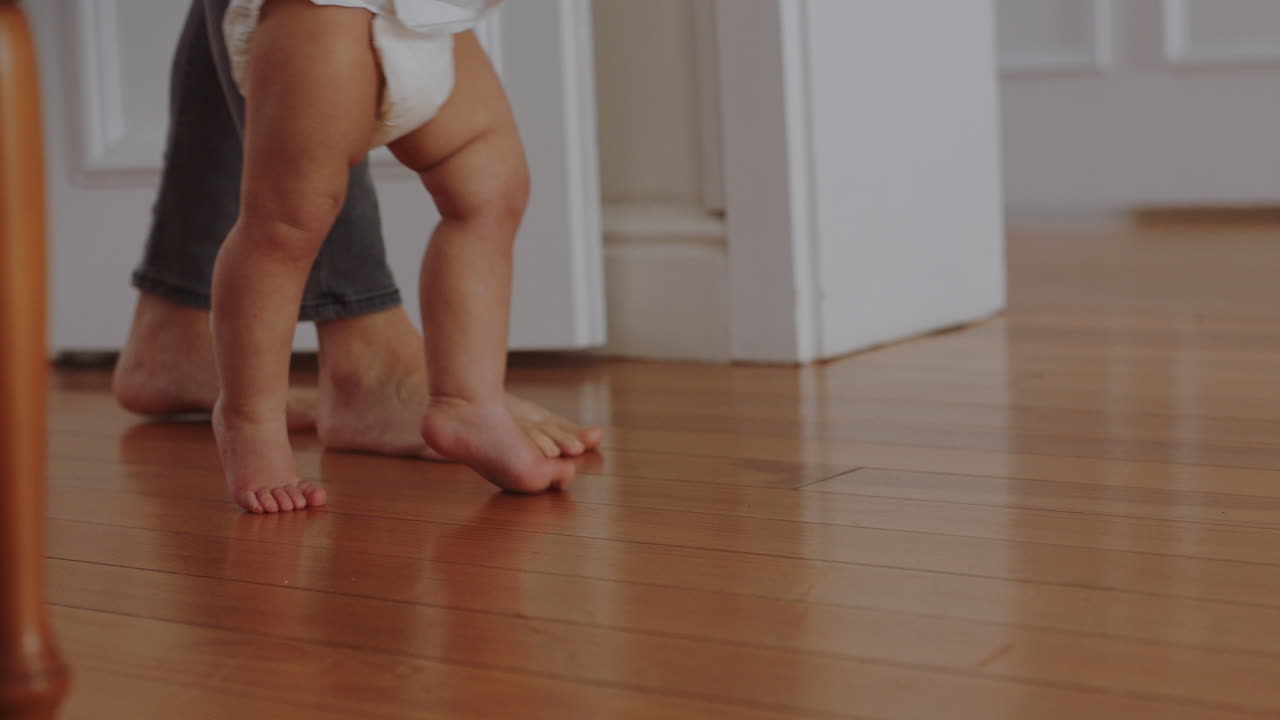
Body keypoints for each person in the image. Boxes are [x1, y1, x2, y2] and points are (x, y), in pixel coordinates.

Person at [113, 0, 602, 513]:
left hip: (430, 18)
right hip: (325, 16)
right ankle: (249, 422)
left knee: (493, 192)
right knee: (286, 227)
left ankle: (469, 405)